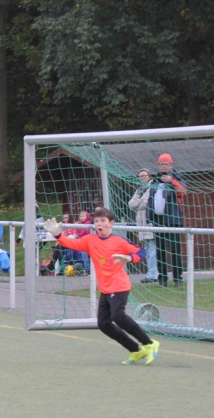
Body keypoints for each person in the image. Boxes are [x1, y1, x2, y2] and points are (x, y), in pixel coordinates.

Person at [44, 208, 159, 365]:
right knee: (103, 324)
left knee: (118, 316)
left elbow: (141, 252)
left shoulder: (119, 241)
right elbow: (70, 243)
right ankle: (135, 350)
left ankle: (149, 343)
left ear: (111, 223)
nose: (99, 224)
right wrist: (58, 235)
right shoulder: (90, 240)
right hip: (105, 289)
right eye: (96, 221)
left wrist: (129, 258)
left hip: (119, 286)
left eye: (103, 221)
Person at [148, 153, 187, 286]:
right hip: (158, 221)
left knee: (175, 250)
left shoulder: (177, 177)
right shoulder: (155, 181)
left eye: (166, 164)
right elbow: (150, 199)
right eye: (161, 164)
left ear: (171, 165)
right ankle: (162, 278)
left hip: (173, 220)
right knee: (160, 251)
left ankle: (177, 278)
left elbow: (183, 191)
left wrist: (171, 181)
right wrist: (149, 215)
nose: (164, 166)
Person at [129, 170, 160, 284]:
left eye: (144, 175)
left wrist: (138, 202)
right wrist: (139, 201)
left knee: (152, 250)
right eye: (140, 176)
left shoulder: (153, 187)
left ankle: (153, 275)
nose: (142, 177)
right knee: (147, 250)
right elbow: (131, 204)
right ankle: (151, 273)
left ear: (148, 176)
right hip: (141, 225)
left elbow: (147, 203)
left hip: (150, 223)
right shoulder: (139, 190)